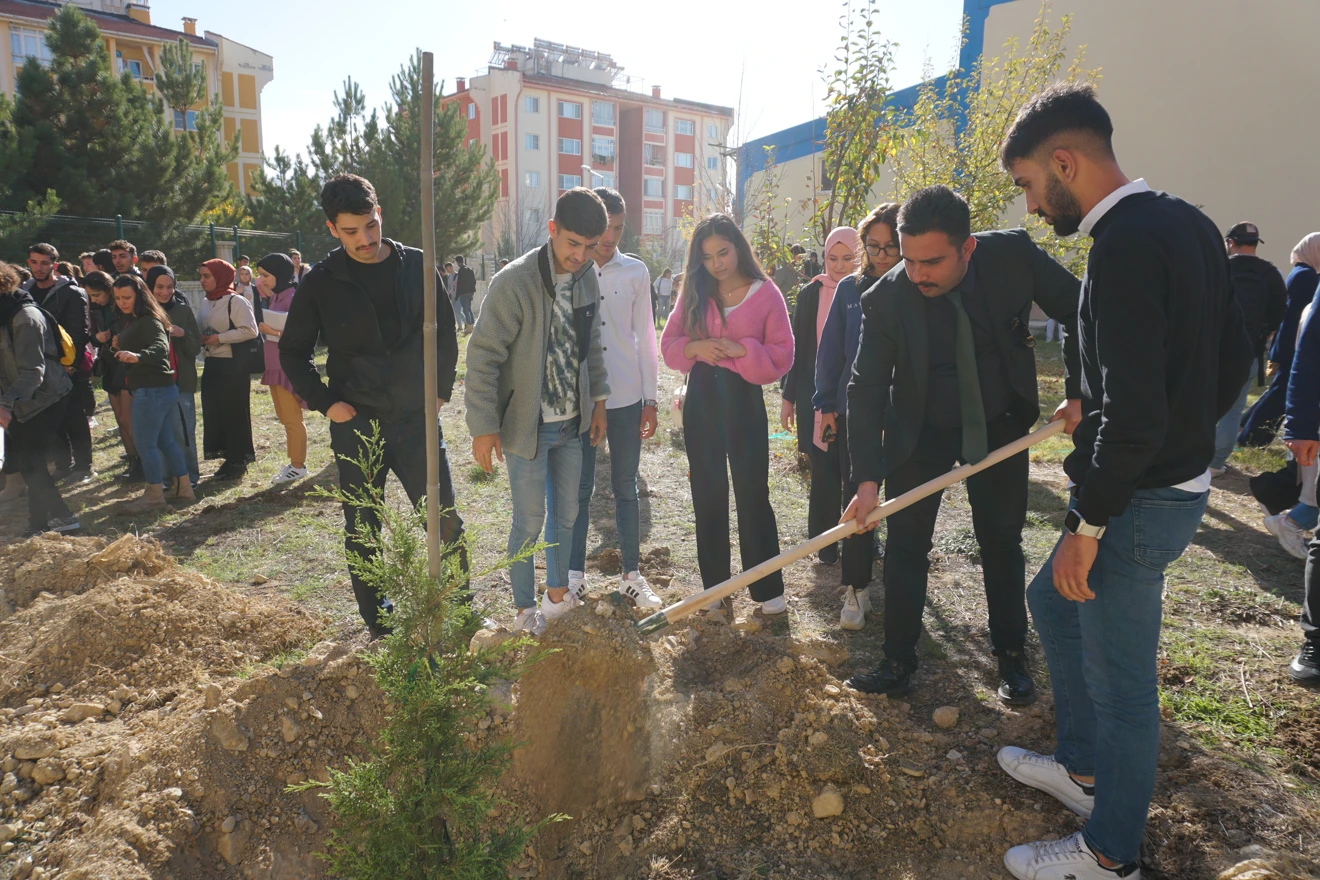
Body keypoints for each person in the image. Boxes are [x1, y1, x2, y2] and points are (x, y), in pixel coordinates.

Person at [994, 83, 1251, 880]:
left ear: (1064, 162)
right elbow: (1232, 353)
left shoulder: (1124, 249)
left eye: (1030, 185)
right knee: (1049, 604)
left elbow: (1140, 419)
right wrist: (1109, 405)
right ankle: (1082, 769)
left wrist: (1088, 526)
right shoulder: (1187, 222)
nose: (1033, 207)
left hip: (1137, 503)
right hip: (1161, 478)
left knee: (1124, 690)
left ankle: (1109, 852)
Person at [842, 185, 1082, 704]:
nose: (917, 274)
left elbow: (1082, 310)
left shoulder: (1014, 256)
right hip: (920, 429)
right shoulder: (885, 299)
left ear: (967, 248)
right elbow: (863, 389)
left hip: (998, 423)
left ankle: (1012, 657)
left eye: (932, 262)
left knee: (1000, 539)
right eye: (908, 260)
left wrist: (1079, 391)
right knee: (907, 545)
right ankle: (898, 659)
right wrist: (867, 479)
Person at [280, 173, 464, 638]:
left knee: (442, 518)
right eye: (350, 232)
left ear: (378, 213)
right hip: (357, 423)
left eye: (369, 225)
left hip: (417, 420)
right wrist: (327, 404)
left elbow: (445, 332)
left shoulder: (417, 266)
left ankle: (460, 609)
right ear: (331, 229)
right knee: (363, 525)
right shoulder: (321, 282)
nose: (364, 239)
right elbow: (292, 351)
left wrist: (440, 390)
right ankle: (379, 622)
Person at [465, 187, 611, 633]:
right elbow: (483, 354)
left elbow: (592, 348)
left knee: (566, 516)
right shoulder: (514, 281)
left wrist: (598, 402)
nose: (580, 255)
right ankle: (525, 610)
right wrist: (483, 426)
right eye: (572, 243)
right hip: (527, 427)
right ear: (552, 230)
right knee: (529, 521)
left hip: (572, 424)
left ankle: (556, 600)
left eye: (590, 247)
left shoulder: (588, 277)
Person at [660, 214, 794, 618]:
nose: (717, 263)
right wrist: (697, 348)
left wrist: (742, 350)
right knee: (708, 493)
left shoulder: (766, 294)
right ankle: (714, 589)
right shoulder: (695, 291)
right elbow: (669, 345)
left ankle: (768, 589)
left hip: (743, 401)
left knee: (753, 493)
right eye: (707, 257)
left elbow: (782, 356)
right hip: (701, 400)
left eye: (723, 252)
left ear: (738, 247)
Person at [550, 188, 664, 609]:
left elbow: (646, 335)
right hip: (579, 400)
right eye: (606, 229)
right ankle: (575, 576)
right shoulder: (570, 268)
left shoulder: (635, 272)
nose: (611, 237)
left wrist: (650, 398)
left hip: (628, 396)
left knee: (626, 487)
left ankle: (632, 574)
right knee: (578, 490)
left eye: (618, 228)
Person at [814, 202, 902, 628]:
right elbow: (830, 351)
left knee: (902, 498)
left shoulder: (916, 285)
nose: (883, 255)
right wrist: (825, 405)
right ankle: (856, 589)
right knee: (857, 498)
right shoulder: (850, 290)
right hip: (855, 411)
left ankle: (904, 588)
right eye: (875, 246)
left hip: (905, 412)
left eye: (892, 246)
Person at [781, 226, 860, 576]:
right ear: (823, 257)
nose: (840, 266)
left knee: (856, 471)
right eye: (833, 258)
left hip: (857, 398)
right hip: (818, 399)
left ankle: (860, 538)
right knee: (824, 470)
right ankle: (824, 542)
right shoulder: (811, 293)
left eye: (848, 258)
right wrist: (788, 397)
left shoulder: (867, 289)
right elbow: (798, 349)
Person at [0, 260, 79, 534]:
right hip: (20, 400)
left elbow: (33, 373)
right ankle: (42, 523)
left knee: (32, 463)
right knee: (29, 463)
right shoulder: (4, 313)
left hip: (46, 398)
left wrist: (5, 404)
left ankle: (59, 519)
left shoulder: (25, 318)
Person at [110, 274, 195, 512]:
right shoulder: (138, 319)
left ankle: (154, 496)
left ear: (140, 295)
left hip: (152, 391)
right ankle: (183, 489)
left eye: (126, 297)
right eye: (117, 298)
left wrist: (138, 356)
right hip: (160, 390)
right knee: (165, 441)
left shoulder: (148, 320)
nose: (122, 302)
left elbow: (160, 347)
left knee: (145, 444)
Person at [1210, 222, 1288, 476]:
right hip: (1248, 350)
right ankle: (1216, 462)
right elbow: (1278, 314)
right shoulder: (1271, 273)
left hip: (1212, 347)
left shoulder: (1218, 267)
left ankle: (1192, 456)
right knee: (1233, 408)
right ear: (1256, 245)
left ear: (1230, 242)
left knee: (1200, 401)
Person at [1239, 233, 1320, 448]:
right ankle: (1251, 438)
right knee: (1280, 397)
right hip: (1295, 345)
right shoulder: (1308, 277)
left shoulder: (1303, 273)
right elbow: (1298, 318)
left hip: (1290, 343)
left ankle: (1245, 429)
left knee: (1277, 393)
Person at [23, 243, 94, 484]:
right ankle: (64, 465)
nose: (38, 268)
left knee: (74, 415)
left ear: (54, 265)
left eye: (44, 263)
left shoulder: (72, 292)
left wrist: (70, 364)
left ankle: (84, 466)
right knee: (51, 419)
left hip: (65, 365)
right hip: (38, 365)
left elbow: (79, 331)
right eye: (33, 262)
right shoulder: (26, 291)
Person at [197, 258, 258, 481]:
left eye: (207, 276)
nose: (202, 280)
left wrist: (219, 338)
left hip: (233, 365)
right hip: (212, 363)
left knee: (234, 412)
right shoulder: (206, 302)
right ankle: (227, 457)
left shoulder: (237, 301)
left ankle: (239, 459)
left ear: (220, 276)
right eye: (201, 276)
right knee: (216, 411)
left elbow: (250, 331)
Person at [255, 253, 308, 485]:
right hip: (276, 367)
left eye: (266, 275)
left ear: (280, 273)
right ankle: (294, 463)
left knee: (292, 418)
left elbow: (303, 335)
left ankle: (298, 465)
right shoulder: (277, 296)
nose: (262, 280)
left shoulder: (292, 297)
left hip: (287, 367)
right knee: (286, 418)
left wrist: (272, 332)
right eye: (260, 275)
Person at [146, 266, 201, 489]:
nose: (165, 292)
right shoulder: (143, 312)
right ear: (150, 287)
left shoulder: (183, 311)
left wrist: (182, 334)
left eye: (170, 287)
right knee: (158, 432)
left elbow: (195, 348)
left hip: (181, 382)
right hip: (152, 382)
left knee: (182, 431)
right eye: (159, 287)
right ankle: (167, 478)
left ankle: (190, 477)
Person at [85, 270, 139, 478]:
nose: (93, 299)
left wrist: (121, 339)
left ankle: (143, 462)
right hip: (109, 363)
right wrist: (97, 338)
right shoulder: (95, 309)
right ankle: (132, 460)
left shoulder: (124, 308)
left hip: (125, 364)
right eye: (90, 295)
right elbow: (89, 335)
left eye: (97, 294)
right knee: (119, 418)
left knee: (127, 418)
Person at [453, 255, 477, 333]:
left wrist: (457, 295)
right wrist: (473, 291)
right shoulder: (469, 269)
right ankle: (473, 325)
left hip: (463, 293)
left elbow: (459, 283)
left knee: (465, 310)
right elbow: (474, 281)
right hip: (470, 292)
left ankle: (469, 327)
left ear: (457, 262)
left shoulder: (461, 270)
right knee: (469, 309)